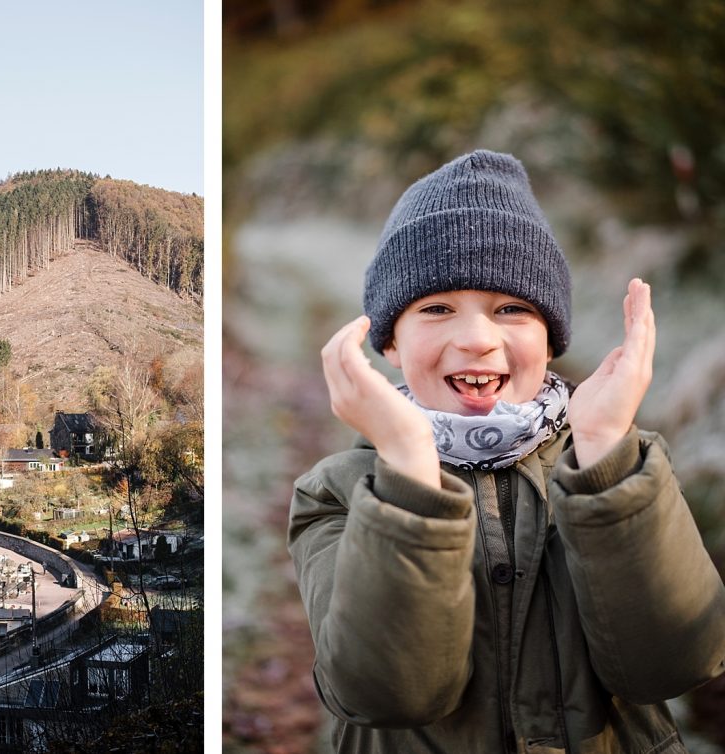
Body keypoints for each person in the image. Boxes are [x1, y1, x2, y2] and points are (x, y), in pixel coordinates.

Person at [288, 149, 725, 754]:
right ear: (388, 341)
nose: (476, 339)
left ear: (551, 339)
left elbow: (678, 663)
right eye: (437, 308)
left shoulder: (623, 468)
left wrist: (602, 450)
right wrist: (411, 474)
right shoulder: (338, 492)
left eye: (512, 309)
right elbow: (388, 694)